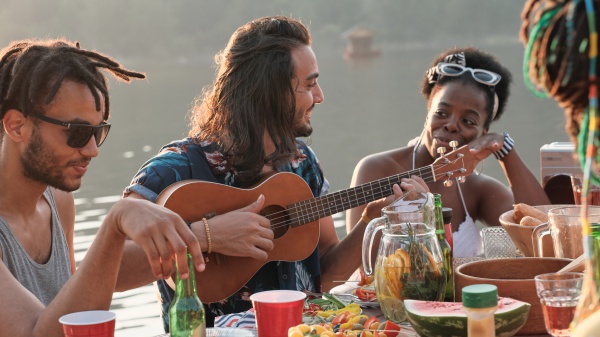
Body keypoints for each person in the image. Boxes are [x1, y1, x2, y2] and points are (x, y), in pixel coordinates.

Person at [124, 15, 426, 330]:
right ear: (270, 91)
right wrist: (206, 236)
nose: (320, 96)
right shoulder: (173, 171)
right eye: (309, 84)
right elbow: (112, 270)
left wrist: (371, 221)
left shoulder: (302, 162)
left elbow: (325, 275)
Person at [0, 39, 207, 337]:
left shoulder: (59, 201)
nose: (92, 149)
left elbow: (75, 318)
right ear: (17, 126)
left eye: (99, 132)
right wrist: (115, 225)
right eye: (79, 133)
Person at [346, 46, 550, 258]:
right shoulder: (378, 169)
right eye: (441, 113)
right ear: (428, 112)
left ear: (483, 132)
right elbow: (364, 266)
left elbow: (544, 237)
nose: (451, 125)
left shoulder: (476, 189)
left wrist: (505, 150)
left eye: (468, 121)